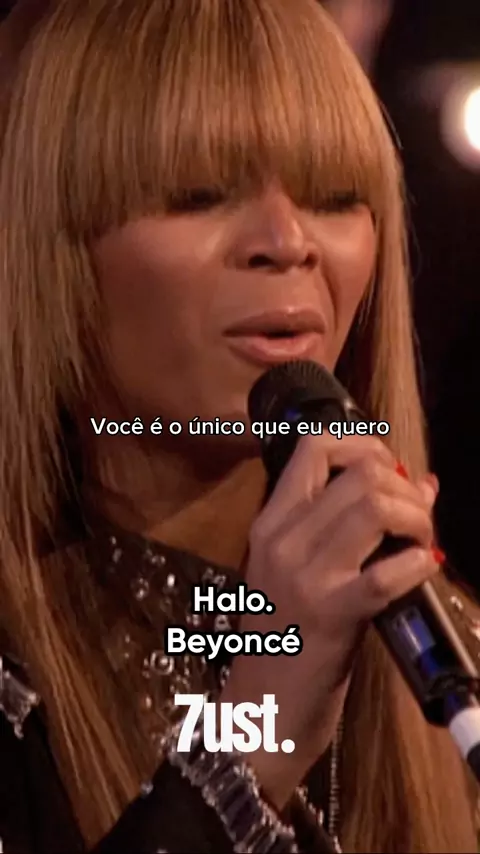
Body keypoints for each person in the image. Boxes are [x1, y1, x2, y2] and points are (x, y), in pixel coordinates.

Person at [0, 1, 479, 852]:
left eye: (335, 198)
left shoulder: (456, 663)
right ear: (53, 249)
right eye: (197, 196)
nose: (287, 242)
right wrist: (253, 741)